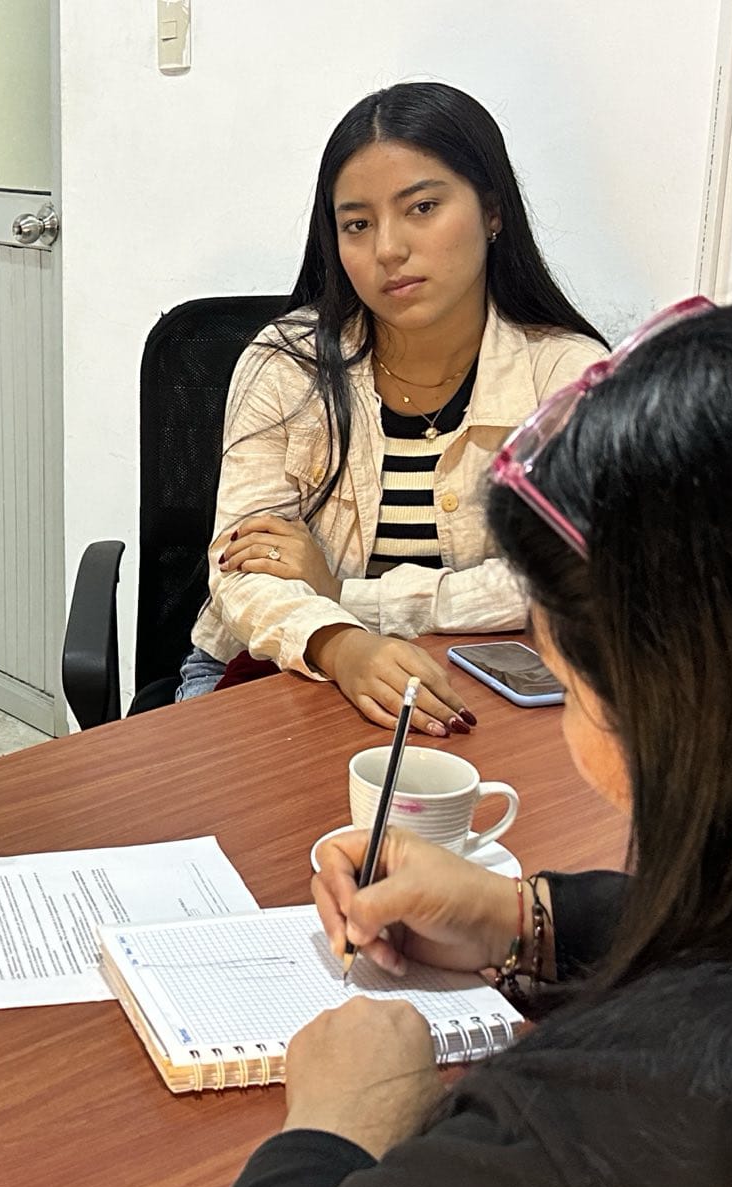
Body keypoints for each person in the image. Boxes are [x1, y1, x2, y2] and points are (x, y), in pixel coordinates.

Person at [227, 298, 732, 1187]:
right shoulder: (289, 364)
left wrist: (333, 1130)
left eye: (561, 671)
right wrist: (532, 921)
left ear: (665, 705)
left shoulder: (601, 1118)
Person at [180, 82, 607, 739]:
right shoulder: (285, 364)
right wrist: (340, 644)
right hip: (275, 672)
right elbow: (241, 572)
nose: (387, 249)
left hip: (483, 685)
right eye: (357, 224)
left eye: (422, 208)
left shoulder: (565, 376)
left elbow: (568, 577)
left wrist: (345, 596)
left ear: (493, 211)